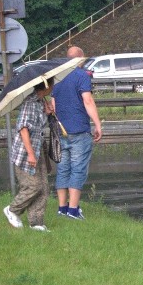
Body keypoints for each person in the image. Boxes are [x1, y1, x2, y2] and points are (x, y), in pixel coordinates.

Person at [51, 46, 102, 220]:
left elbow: (53, 105)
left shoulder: (57, 77)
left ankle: (62, 208)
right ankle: (73, 211)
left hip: (60, 130)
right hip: (79, 130)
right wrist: (97, 124)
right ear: (80, 59)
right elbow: (87, 101)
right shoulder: (82, 76)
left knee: (63, 168)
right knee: (78, 169)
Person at [3, 79, 55, 231]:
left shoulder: (39, 102)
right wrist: (31, 154)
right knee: (33, 185)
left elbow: (38, 125)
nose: (53, 87)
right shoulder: (30, 103)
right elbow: (23, 128)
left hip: (38, 149)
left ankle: (36, 223)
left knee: (43, 187)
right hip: (26, 153)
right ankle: (12, 210)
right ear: (46, 86)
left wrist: (47, 113)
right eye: (51, 84)